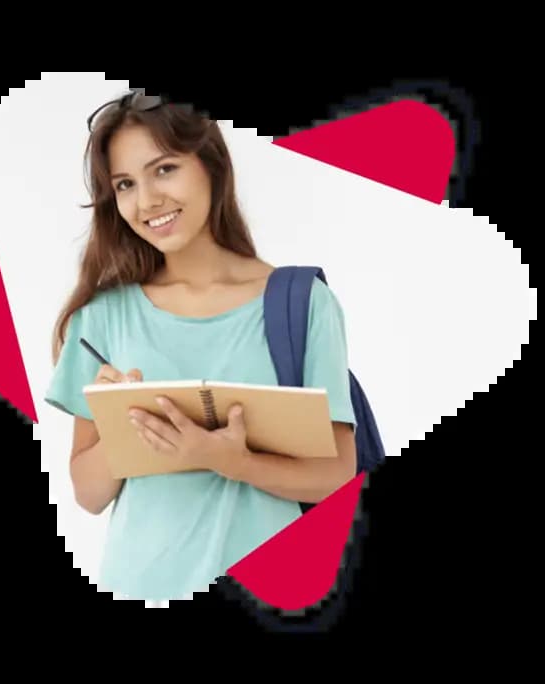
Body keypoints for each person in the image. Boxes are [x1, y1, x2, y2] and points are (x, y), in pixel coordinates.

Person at [44, 90, 358, 601]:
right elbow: (88, 494)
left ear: (210, 164)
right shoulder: (102, 317)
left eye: (164, 169)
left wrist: (233, 462)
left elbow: (338, 474)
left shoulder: (303, 303)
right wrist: (122, 426)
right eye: (125, 184)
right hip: (141, 586)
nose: (146, 201)